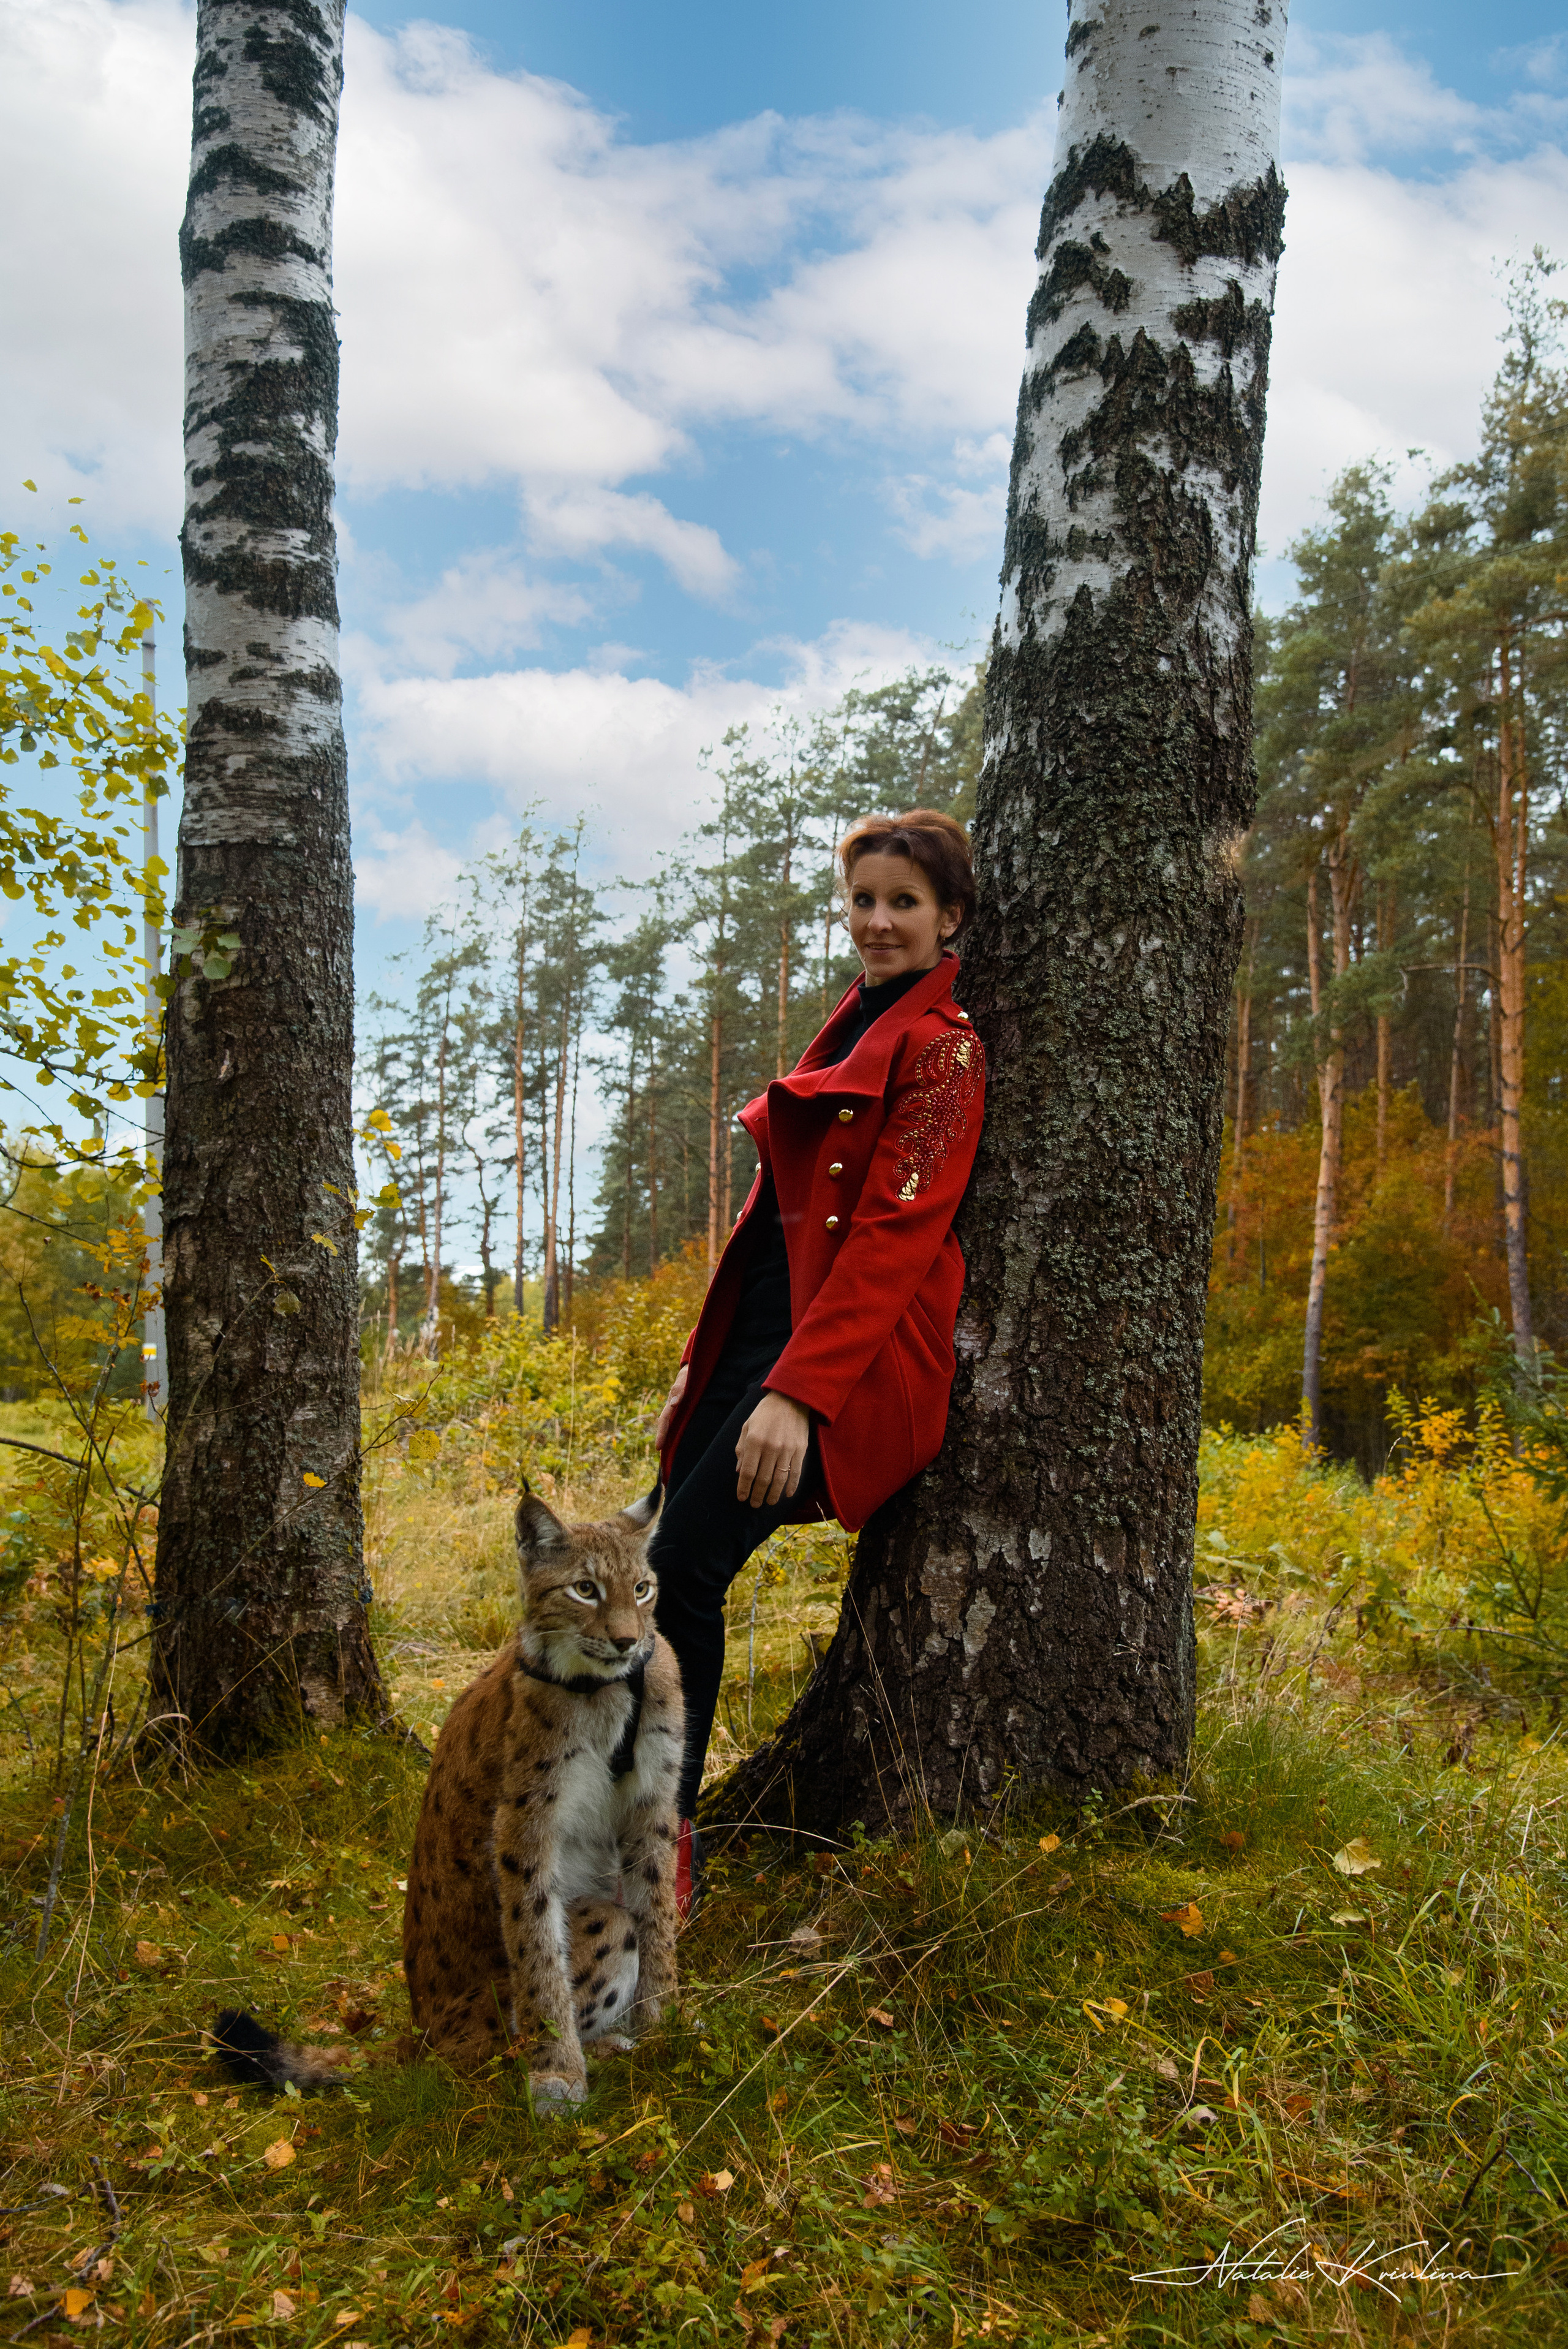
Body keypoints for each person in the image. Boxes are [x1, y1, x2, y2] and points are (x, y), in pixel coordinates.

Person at [650, 808, 986, 1913]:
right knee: (652, 1568)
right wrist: (707, 1368)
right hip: (758, 1346)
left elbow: (894, 1238)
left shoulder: (945, 1052)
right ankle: (626, 1826)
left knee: (683, 1574)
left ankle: (667, 1858)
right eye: (863, 900)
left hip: (839, 1372)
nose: (878, 921)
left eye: (903, 903)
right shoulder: (849, 1028)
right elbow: (776, 1225)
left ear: (950, 920)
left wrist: (796, 1395)